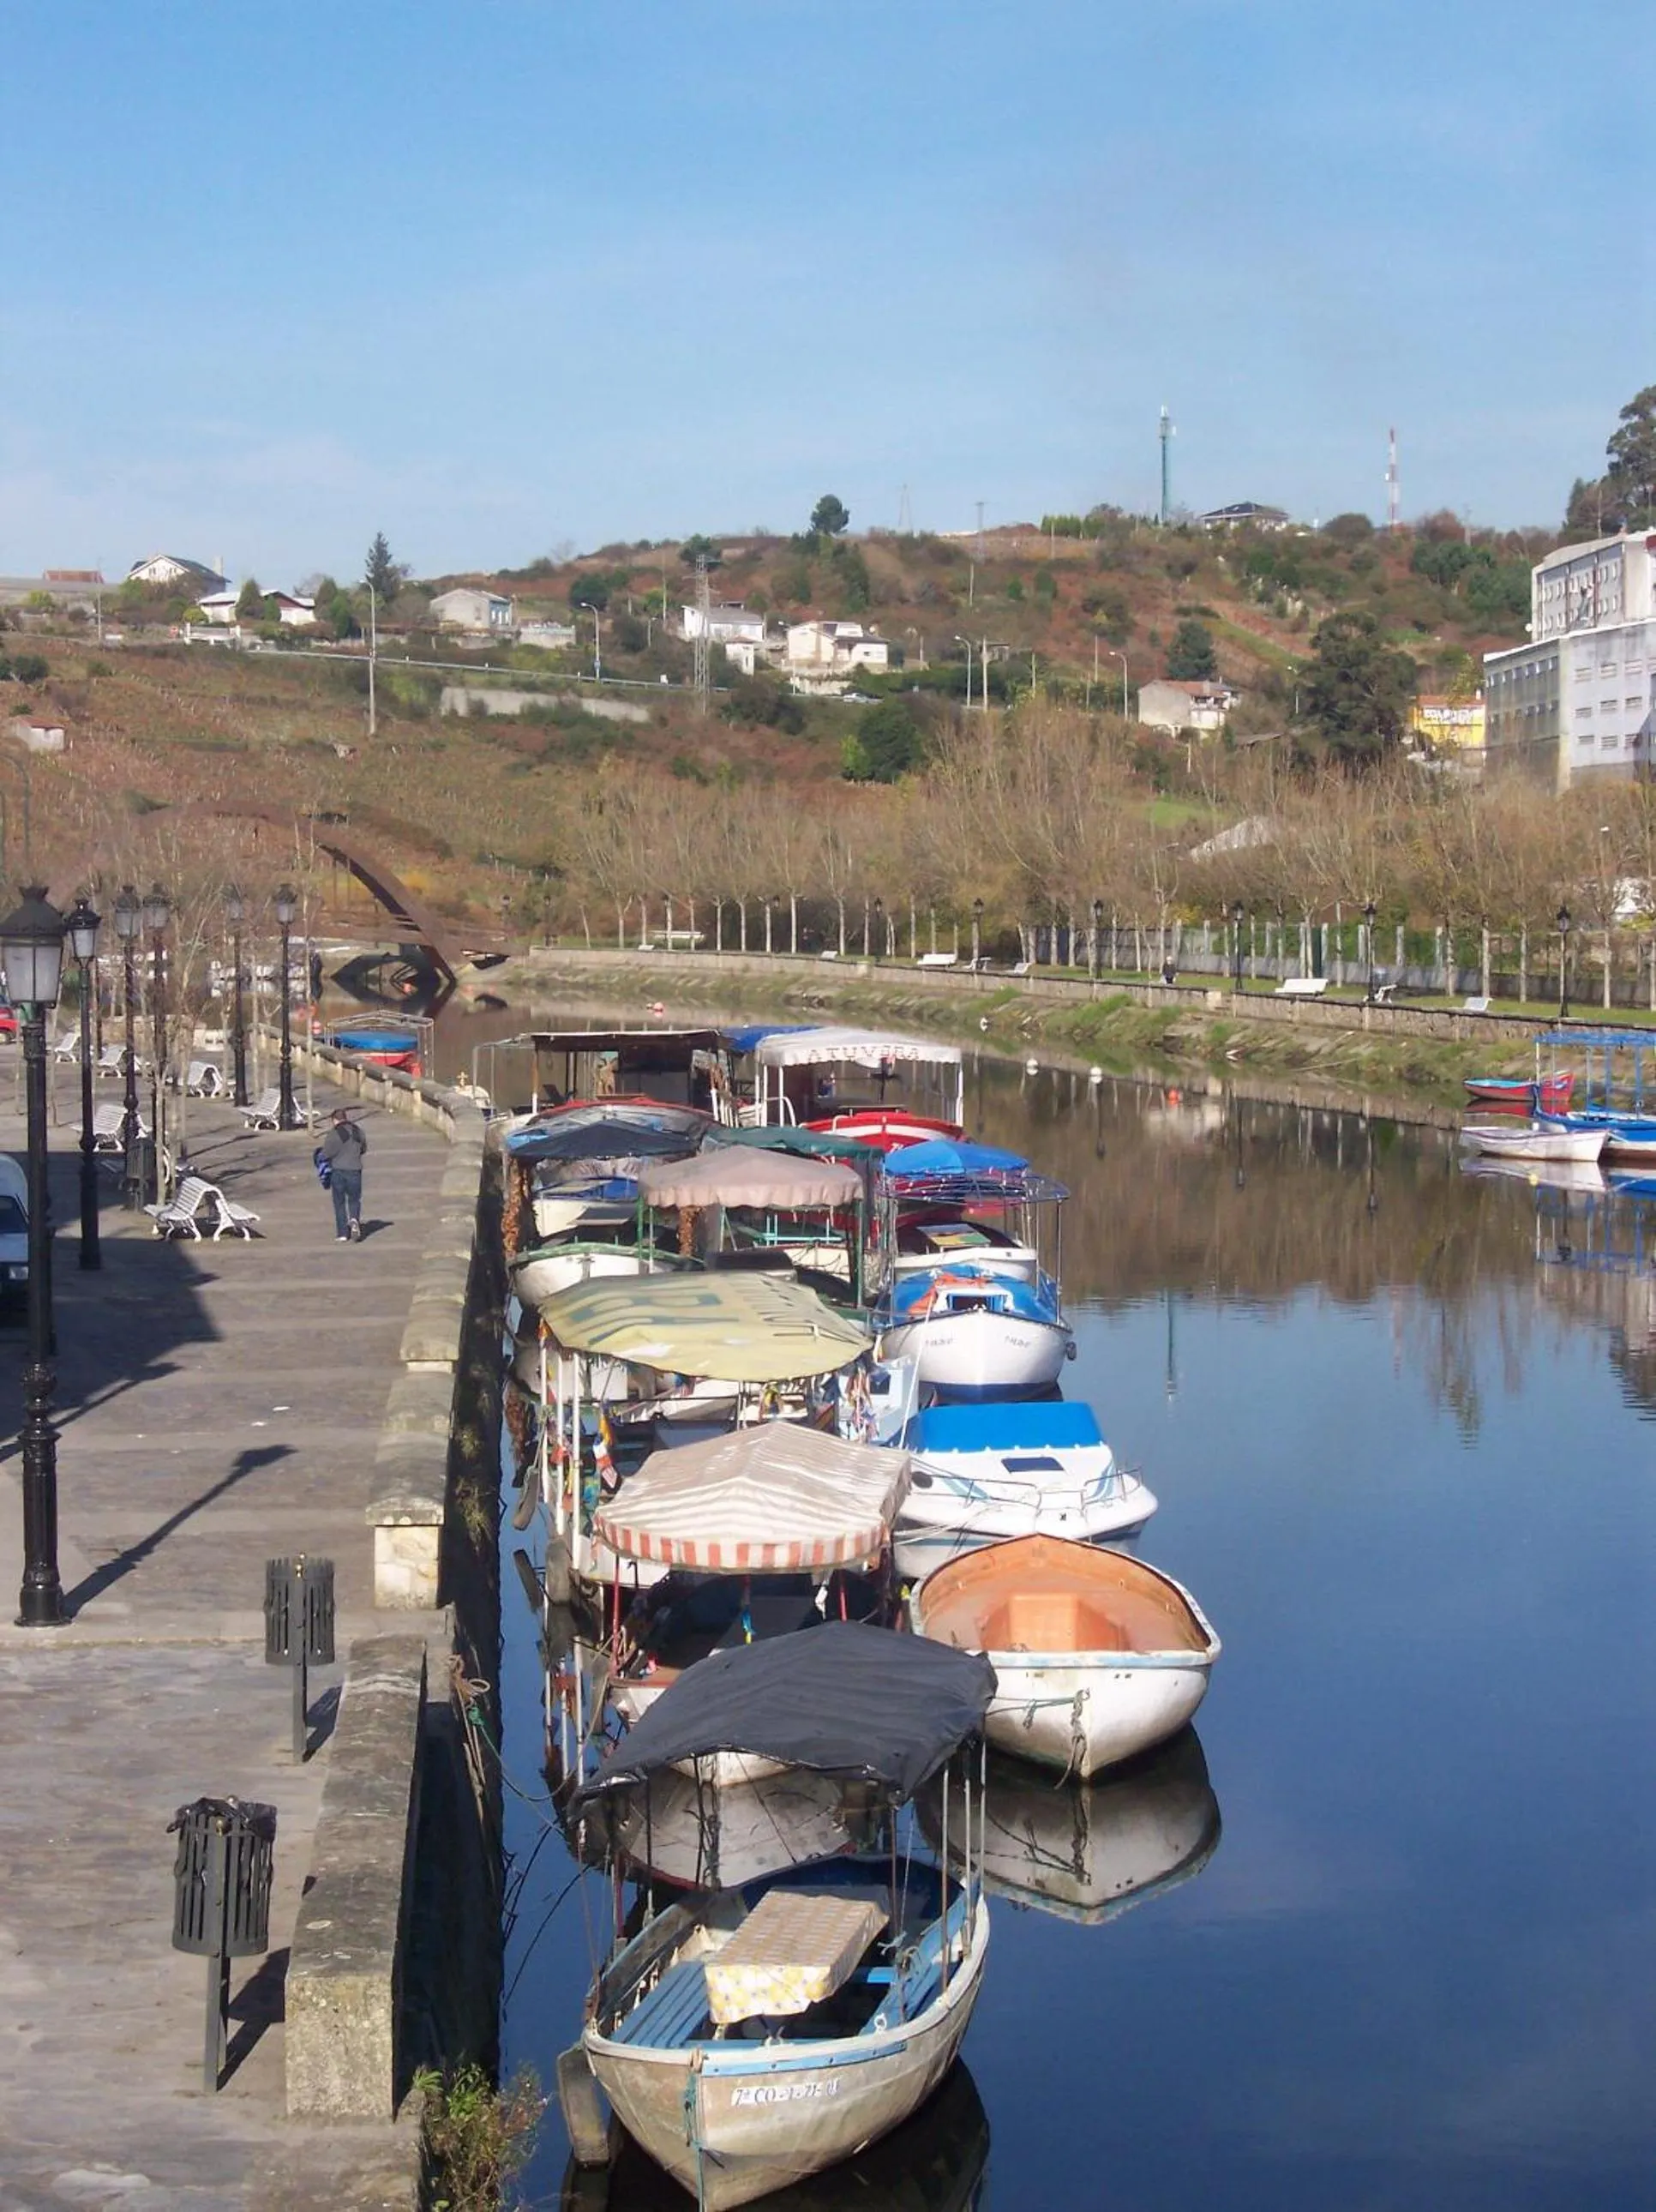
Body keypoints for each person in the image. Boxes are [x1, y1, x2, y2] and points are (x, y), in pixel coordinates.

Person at [321, 1108, 369, 1241]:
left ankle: (342, 1233)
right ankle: (354, 1219)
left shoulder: (334, 1133)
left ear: (334, 1120)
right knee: (354, 1199)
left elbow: (327, 1153)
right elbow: (363, 1148)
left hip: (339, 1170)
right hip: (355, 1170)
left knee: (339, 1201)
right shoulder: (358, 1131)